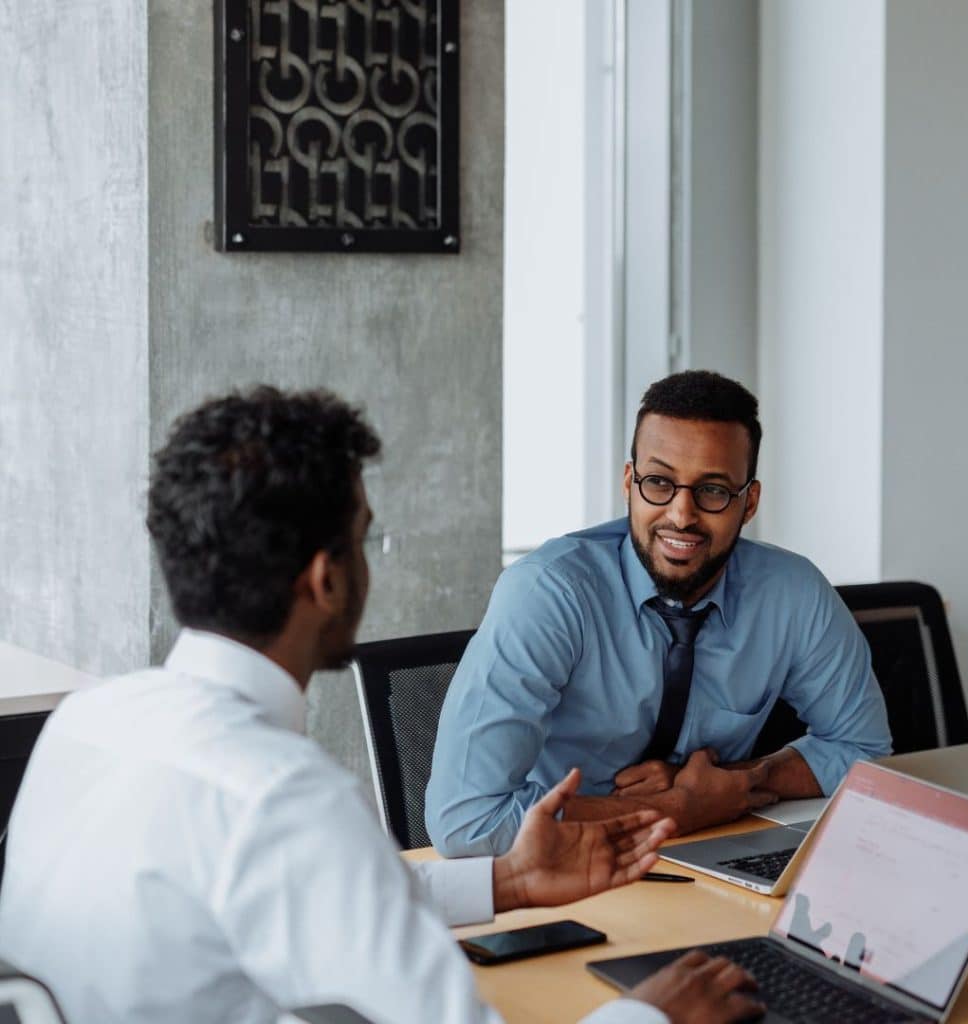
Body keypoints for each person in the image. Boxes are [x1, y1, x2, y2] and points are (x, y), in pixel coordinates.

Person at [0, 387, 763, 1024]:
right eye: (365, 540)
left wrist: (509, 883)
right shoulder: (279, 794)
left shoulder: (87, 723)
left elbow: (314, 897)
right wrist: (652, 1015)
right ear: (327, 578)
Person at [426, 370, 892, 858]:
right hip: (561, 865)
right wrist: (675, 810)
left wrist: (727, 784)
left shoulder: (793, 593)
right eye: (659, 483)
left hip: (711, 859)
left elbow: (864, 751)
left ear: (748, 502)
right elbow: (468, 819)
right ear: (629, 482)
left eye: (712, 490)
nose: (681, 515)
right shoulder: (549, 593)